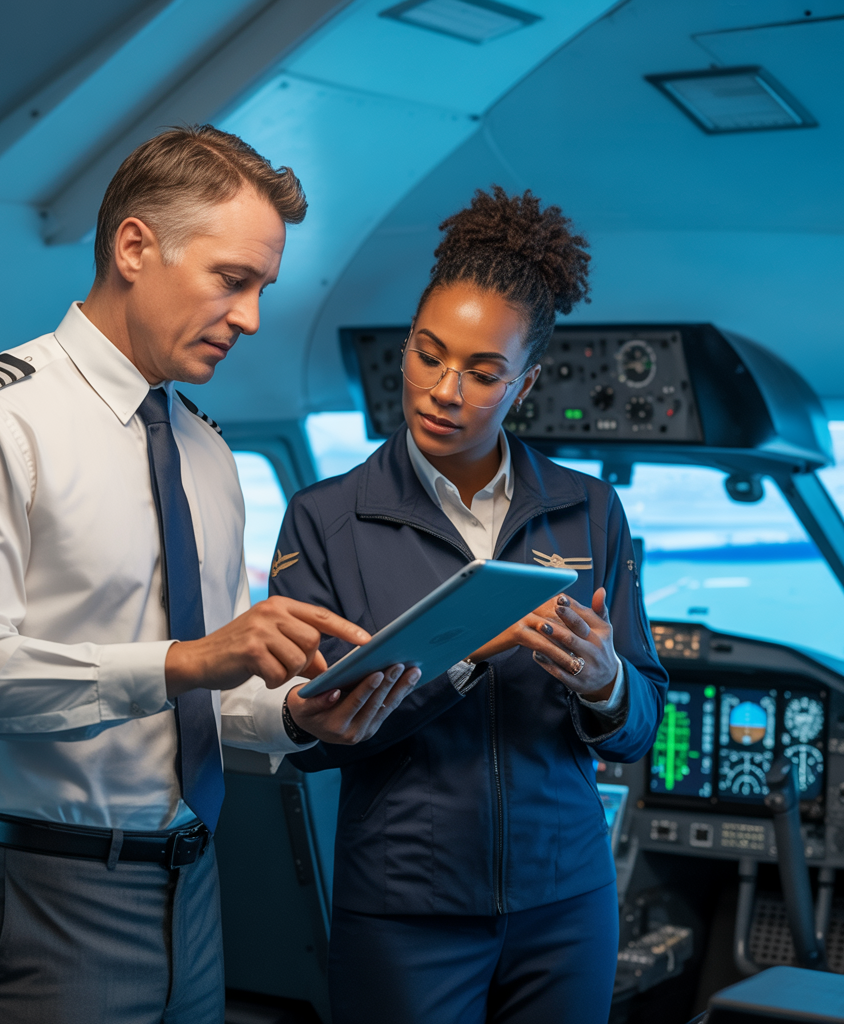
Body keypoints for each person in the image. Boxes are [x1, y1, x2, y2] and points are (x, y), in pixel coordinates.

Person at [0, 125, 419, 1024]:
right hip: (45, 891)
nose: (251, 317)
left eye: (263, 289)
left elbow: (207, 693)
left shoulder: (208, 454)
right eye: (232, 279)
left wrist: (293, 712)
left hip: (197, 880)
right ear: (135, 247)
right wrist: (185, 661)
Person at [269, 187, 668, 1024]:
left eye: (483, 372)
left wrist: (606, 684)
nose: (443, 389)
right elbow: (308, 736)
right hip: (405, 909)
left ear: (522, 386)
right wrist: (464, 654)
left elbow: (639, 729)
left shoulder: (589, 511)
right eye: (428, 354)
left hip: (567, 902)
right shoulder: (326, 517)